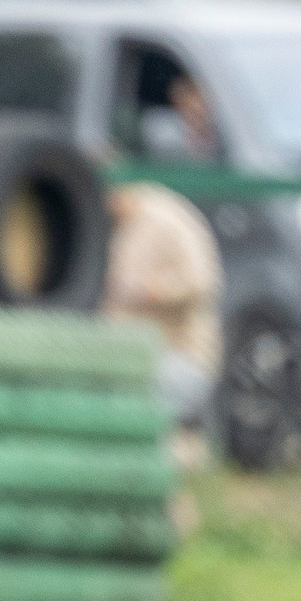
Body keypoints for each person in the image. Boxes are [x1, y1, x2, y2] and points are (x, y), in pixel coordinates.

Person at [102, 180, 224, 425]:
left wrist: (150, 292)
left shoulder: (165, 217)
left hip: (178, 358)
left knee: (124, 398)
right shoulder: (100, 226)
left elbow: (203, 282)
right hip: (119, 360)